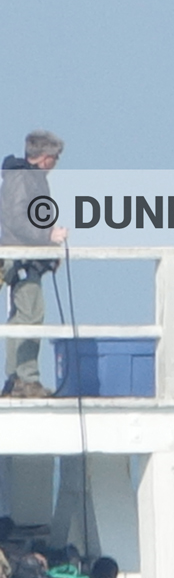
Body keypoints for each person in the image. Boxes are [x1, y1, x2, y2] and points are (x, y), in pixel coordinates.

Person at [3, 131, 67, 398]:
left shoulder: (28, 178)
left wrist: (49, 252)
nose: (56, 163)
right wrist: (48, 237)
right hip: (19, 258)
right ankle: (25, 380)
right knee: (30, 315)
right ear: (44, 158)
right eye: (55, 158)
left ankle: (16, 379)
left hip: (24, 256)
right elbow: (17, 219)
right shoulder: (23, 179)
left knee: (23, 315)